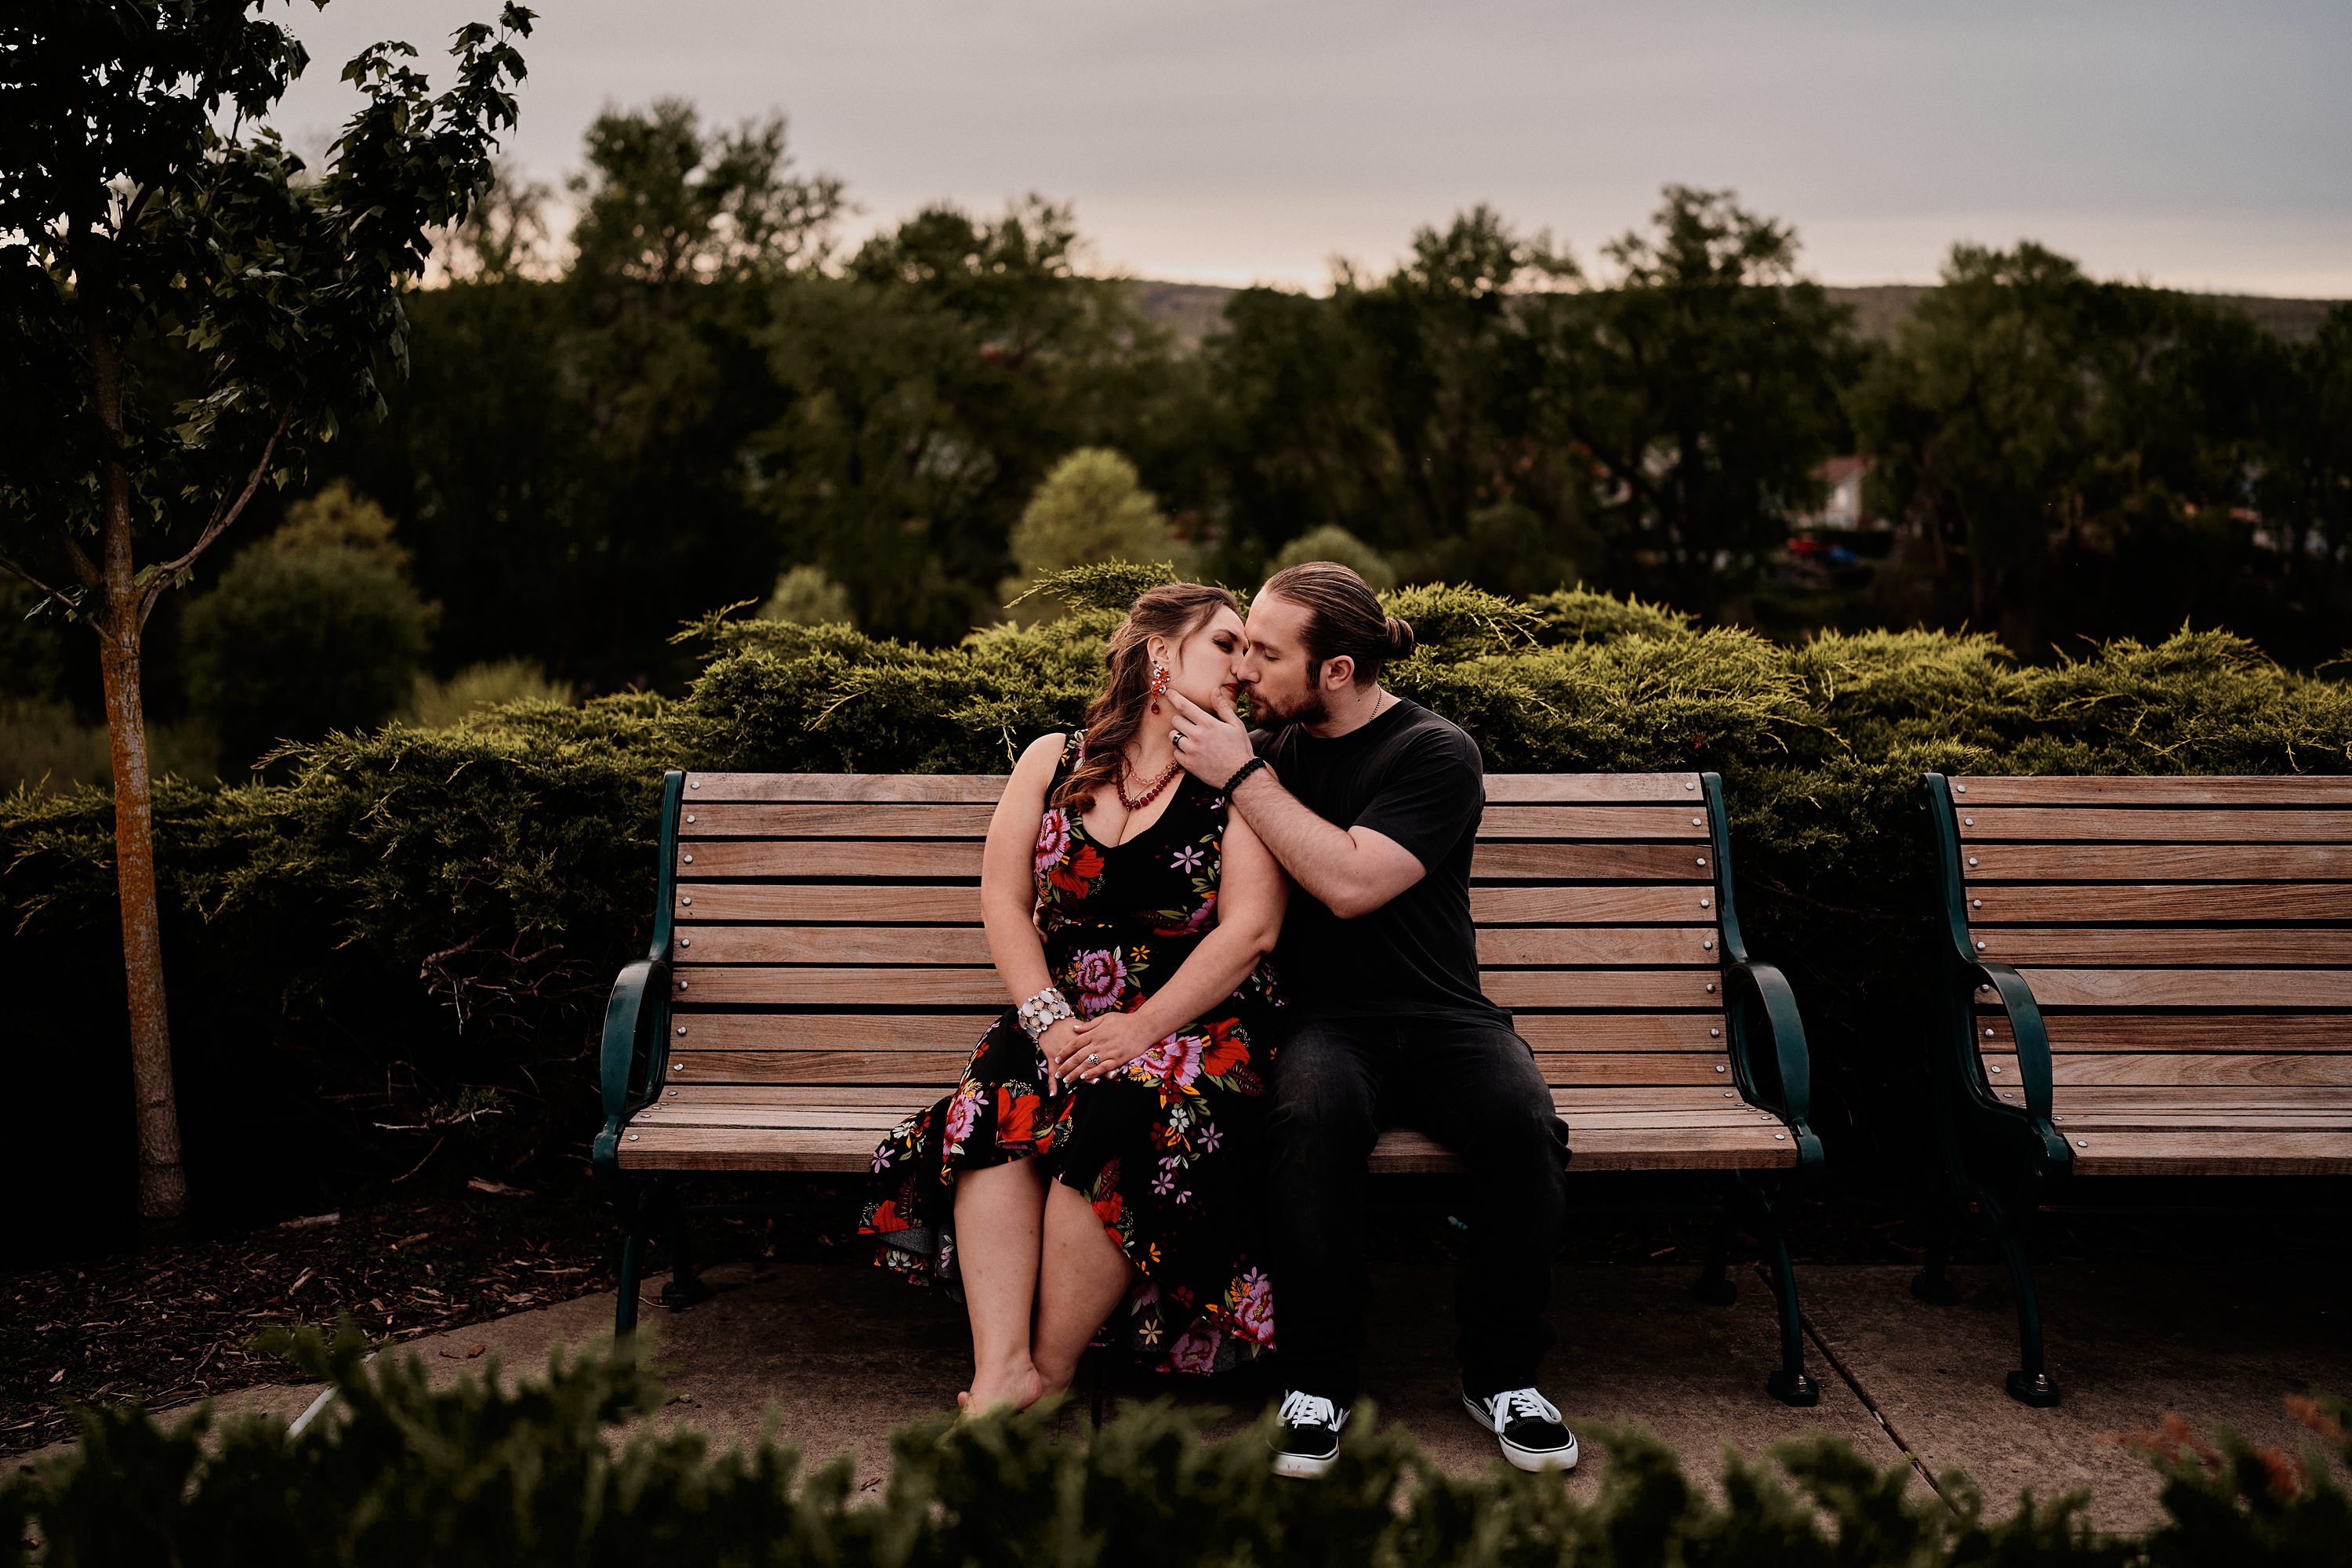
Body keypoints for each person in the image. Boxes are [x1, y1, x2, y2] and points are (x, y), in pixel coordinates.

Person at [1162, 561, 1577, 1478]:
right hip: (1327, 1018)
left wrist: (1243, 775)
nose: (1245, 671)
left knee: (1523, 1127)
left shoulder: (1434, 753)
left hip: (1443, 1013)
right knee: (1309, 1119)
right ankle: (1317, 1379)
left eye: (1268, 653)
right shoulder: (1270, 745)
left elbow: (1352, 881)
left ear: (1338, 670)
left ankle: (1503, 1373)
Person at [861, 583, 1287, 1413]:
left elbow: (1251, 932)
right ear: (1161, 652)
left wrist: (1138, 1028)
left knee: (1122, 1107)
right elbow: (1001, 898)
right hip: (1064, 1013)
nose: (1244, 666)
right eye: (1226, 644)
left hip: (1198, 1022)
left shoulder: (1244, 776)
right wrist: (1050, 1017)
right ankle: (999, 1371)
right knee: (1000, 1089)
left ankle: (1049, 1373)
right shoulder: (1054, 758)